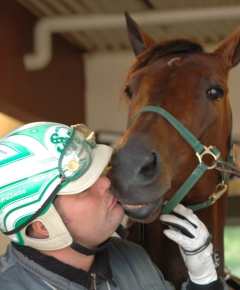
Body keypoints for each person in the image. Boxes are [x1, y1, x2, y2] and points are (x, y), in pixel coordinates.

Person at [0, 121, 229, 290]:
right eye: (84, 188)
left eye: (98, 173)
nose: (107, 182)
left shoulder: (134, 259)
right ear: (43, 227)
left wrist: (204, 280)